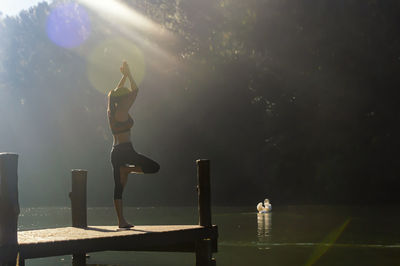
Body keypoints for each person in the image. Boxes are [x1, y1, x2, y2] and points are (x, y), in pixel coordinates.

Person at [107, 61, 160, 229]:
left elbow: (113, 95)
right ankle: (128, 169)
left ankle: (121, 221)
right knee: (154, 167)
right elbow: (136, 91)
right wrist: (129, 74)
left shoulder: (112, 111)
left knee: (118, 187)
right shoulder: (122, 110)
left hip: (115, 151)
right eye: (125, 96)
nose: (128, 97)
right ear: (122, 99)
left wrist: (122, 78)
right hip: (126, 151)